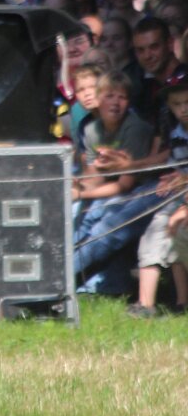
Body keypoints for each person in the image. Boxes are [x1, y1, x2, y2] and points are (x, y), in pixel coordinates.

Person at [72, 71, 155, 294]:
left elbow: (125, 184)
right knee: (80, 212)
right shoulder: (91, 130)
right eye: (109, 96)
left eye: (122, 97)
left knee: (103, 219)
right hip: (109, 189)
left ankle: (63, 276)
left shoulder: (135, 128)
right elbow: (94, 177)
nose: (116, 103)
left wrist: (82, 194)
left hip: (140, 189)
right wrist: (77, 187)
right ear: (98, 99)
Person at [128, 80, 188, 317]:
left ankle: (182, 301)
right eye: (177, 104)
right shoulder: (177, 134)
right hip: (181, 197)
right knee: (154, 233)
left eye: (187, 103)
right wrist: (172, 179)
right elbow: (178, 167)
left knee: (178, 230)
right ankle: (146, 304)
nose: (183, 109)